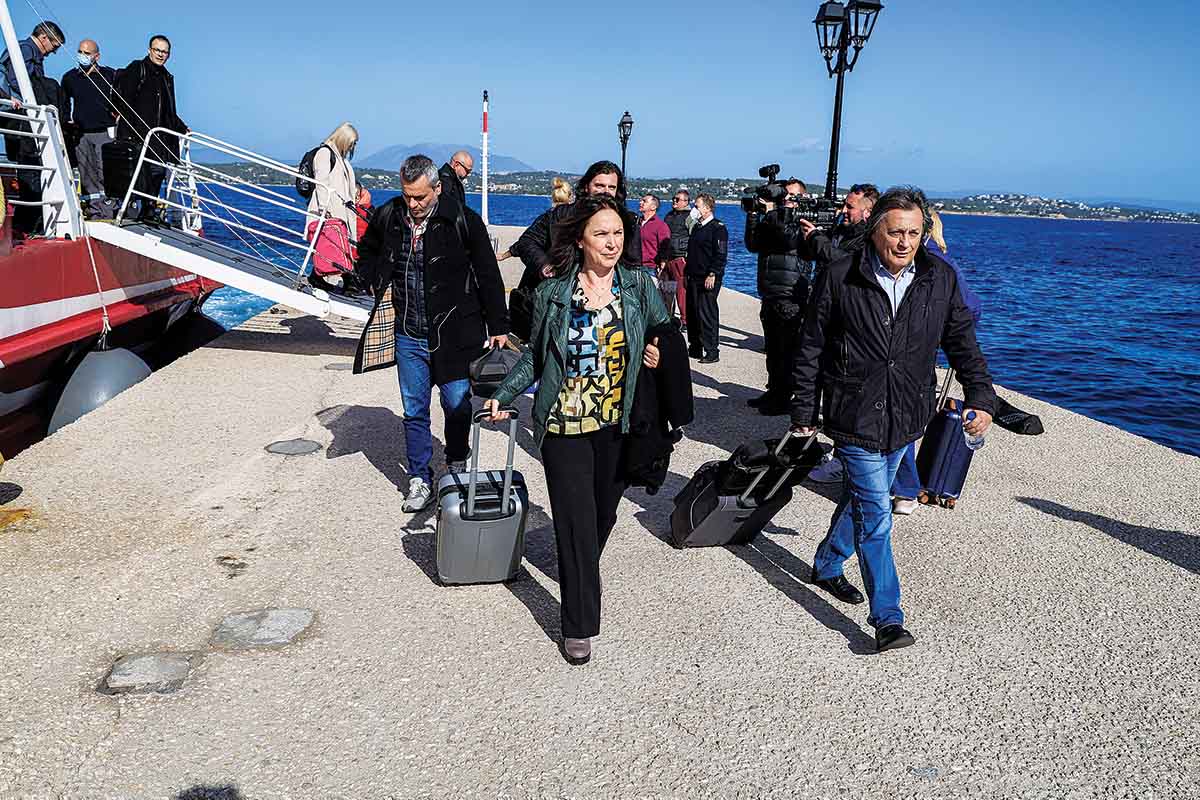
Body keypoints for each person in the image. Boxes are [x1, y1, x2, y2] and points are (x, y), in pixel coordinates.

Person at [790, 186, 996, 653]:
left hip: (907, 413)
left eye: (914, 233)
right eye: (896, 232)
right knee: (877, 517)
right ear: (874, 230)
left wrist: (981, 397)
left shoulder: (940, 278)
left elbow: (962, 343)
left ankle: (827, 563)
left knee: (867, 499)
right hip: (855, 413)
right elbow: (810, 347)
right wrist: (804, 411)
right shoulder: (840, 274)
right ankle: (888, 618)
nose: (905, 242)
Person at [484, 194, 669, 666]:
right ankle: (578, 624)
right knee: (576, 523)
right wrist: (504, 394)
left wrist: (656, 352)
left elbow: (664, 333)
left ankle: (578, 564)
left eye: (617, 233)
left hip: (618, 425)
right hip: (564, 423)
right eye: (601, 234)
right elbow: (535, 356)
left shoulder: (638, 286)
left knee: (602, 518)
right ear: (581, 240)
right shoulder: (553, 293)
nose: (611, 242)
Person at [353, 155, 509, 512]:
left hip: (456, 334)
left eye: (420, 197)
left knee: (457, 405)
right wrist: (372, 277)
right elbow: (368, 249)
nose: (413, 204)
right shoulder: (389, 215)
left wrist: (499, 325)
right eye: (407, 195)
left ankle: (456, 462)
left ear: (437, 188)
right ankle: (419, 478)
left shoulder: (463, 220)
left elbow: (487, 273)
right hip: (408, 333)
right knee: (414, 409)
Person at [890, 208, 982, 515]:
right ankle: (902, 487)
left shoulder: (937, 266)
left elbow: (967, 309)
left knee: (898, 420)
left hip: (911, 354)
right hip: (908, 352)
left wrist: (936, 329)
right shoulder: (942, 261)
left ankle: (905, 488)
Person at [508, 160, 641, 292]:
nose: (606, 191)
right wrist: (544, 265)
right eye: (599, 186)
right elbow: (527, 242)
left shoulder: (627, 222)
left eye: (611, 187)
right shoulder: (560, 215)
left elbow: (632, 263)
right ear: (586, 187)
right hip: (556, 291)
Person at [744, 177, 811, 415]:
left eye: (789, 196)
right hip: (770, 291)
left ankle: (784, 398)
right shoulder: (774, 219)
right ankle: (773, 390)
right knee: (772, 348)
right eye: (783, 196)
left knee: (786, 350)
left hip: (790, 293)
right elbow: (753, 244)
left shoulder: (803, 221)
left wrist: (774, 211)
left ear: (802, 198)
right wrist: (753, 215)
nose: (784, 200)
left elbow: (788, 238)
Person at [113, 35, 187, 223]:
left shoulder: (167, 77)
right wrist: (130, 128)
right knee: (139, 174)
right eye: (157, 50)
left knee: (157, 174)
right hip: (138, 134)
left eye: (165, 52)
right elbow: (124, 100)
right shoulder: (138, 68)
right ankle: (131, 211)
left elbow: (168, 110)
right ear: (149, 50)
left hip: (159, 137)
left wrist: (182, 127)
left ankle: (149, 211)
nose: (161, 55)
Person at [1, 21, 64, 236]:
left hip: (21, 117)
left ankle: (31, 220)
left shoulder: (28, 51)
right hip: (19, 116)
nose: (53, 51)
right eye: (54, 46)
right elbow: (18, 80)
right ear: (44, 38)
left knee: (31, 166)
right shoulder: (26, 50)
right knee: (30, 166)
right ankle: (28, 222)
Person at [61, 39, 116, 219]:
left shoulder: (110, 75)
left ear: (96, 56)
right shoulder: (70, 77)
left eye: (87, 53)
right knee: (86, 174)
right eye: (80, 52)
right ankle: (94, 211)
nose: (82, 56)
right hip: (81, 133)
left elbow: (122, 99)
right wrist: (67, 121)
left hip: (105, 132)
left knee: (106, 171)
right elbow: (64, 102)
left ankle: (109, 210)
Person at [303, 122, 360, 292]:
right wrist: (324, 209)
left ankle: (323, 278)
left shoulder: (340, 158)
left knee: (337, 246)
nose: (353, 147)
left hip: (340, 210)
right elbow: (321, 183)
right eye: (352, 143)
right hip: (330, 210)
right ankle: (349, 281)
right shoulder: (325, 154)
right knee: (333, 245)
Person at [684, 193, 726, 364]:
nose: (694, 209)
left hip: (708, 277)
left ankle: (712, 351)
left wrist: (713, 273)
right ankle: (695, 346)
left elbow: (721, 254)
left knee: (707, 313)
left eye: (697, 206)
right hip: (693, 276)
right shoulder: (697, 227)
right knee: (692, 312)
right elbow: (692, 252)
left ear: (707, 208)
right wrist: (686, 273)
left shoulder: (718, 228)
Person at [799, 183, 879, 267]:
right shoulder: (839, 229)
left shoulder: (869, 239)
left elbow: (845, 260)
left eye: (850, 207)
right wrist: (807, 238)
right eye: (843, 205)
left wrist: (815, 237)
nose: (843, 210)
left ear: (867, 213)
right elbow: (811, 256)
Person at [498, 176, 571, 262]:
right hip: (546, 260)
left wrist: (504, 255)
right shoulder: (570, 214)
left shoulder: (545, 217)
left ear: (553, 197)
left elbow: (527, 239)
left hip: (534, 256)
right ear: (570, 197)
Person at [661, 189, 693, 322]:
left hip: (680, 258)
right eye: (674, 198)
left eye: (677, 199)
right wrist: (662, 258)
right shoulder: (669, 215)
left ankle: (685, 320)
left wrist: (688, 258)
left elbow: (694, 237)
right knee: (666, 291)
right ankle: (667, 318)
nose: (674, 201)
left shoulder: (691, 216)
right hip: (667, 259)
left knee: (682, 292)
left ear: (686, 202)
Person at [637, 193, 670, 278]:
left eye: (644, 201)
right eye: (641, 200)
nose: (640, 202)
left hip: (650, 269)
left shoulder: (661, 226)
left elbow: (665, 248)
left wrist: (662, 268)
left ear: (653, 207)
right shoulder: (636, 223)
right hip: (633, 267)